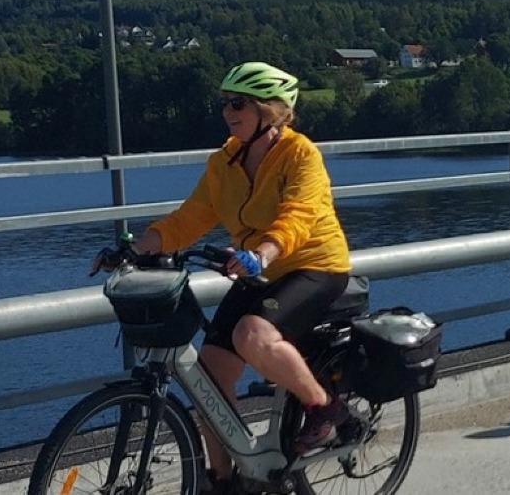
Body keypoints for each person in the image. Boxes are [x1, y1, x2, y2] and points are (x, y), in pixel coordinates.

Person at [97, 62, 353, 488]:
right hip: (258, 268)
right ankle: (224, 479)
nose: (228, 112)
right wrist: (135, 248)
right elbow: (191, 217)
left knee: (251, 335)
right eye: (225, 103)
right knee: (209, 380)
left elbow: (299, 215)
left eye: (239, 104)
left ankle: (325, 408)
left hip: (314, 265)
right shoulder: (224, 161)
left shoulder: (301, 154)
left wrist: (262, 253)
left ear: (270, 111)